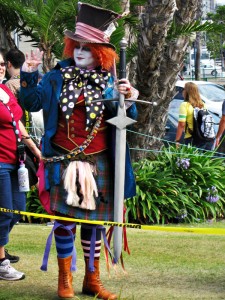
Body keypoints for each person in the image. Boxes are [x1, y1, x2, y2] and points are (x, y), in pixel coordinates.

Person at [20, 2, 138, 300]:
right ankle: (64, 280)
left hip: (99, 163)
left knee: (93, 225)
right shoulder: (56, 77)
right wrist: (29, 73)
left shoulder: (111, 83)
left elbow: (124, 121)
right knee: (65, 222)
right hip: (64, 160)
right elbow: (31, 103)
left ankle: (92, 281)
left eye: (88, 47)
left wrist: (130, 99)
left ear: (101, 52)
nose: (81, 51)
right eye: (77, 46)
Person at [0, 84, 41, 281]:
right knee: (4, 213)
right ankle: (1, 264)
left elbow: (18, 122)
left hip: (17, 161)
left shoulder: (5, 91)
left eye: (1, 64)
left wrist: (36, 150)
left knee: (17, 210)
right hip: (0, 164)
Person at [175, 81, 214, 150]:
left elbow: (181, 124)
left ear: (186, 92)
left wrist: (177, 140)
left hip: (192, 138)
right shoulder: (202, 104)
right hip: (206, 138)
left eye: (184, 89)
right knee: (203, 160)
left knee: (189, 160)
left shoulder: (185, 105)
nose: (182, 91)